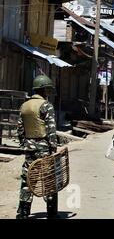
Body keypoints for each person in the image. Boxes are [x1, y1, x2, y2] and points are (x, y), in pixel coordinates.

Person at [16, 75, 58, 219]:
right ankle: (52, 213)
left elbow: (20, 129)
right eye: (48, 89)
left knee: (28, 178)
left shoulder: (24, 105)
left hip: (29, 147)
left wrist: (24, 144)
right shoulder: (46, 105)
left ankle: (23, 212)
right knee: (49, 178)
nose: (49, 92)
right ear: (44, 89)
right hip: (44, 147)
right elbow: (51, 129)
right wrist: (53, 148)